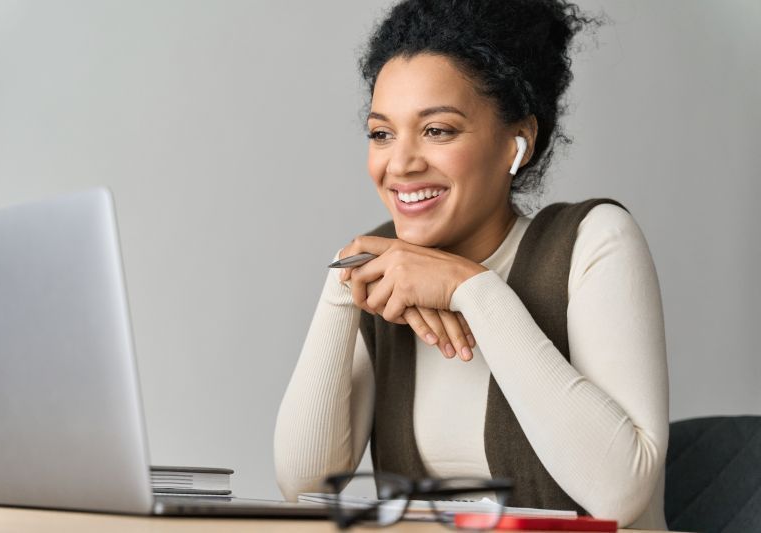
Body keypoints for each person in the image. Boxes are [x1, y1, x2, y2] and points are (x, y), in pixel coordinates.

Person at [274, 0, 669, 529]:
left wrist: (474, 289)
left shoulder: (590, 242)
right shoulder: (383, 269)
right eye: (381, 133)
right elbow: (304, 487)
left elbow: (621, 494)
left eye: (437, 130)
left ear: (518, 142)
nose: (401, 163)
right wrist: (342, 283)